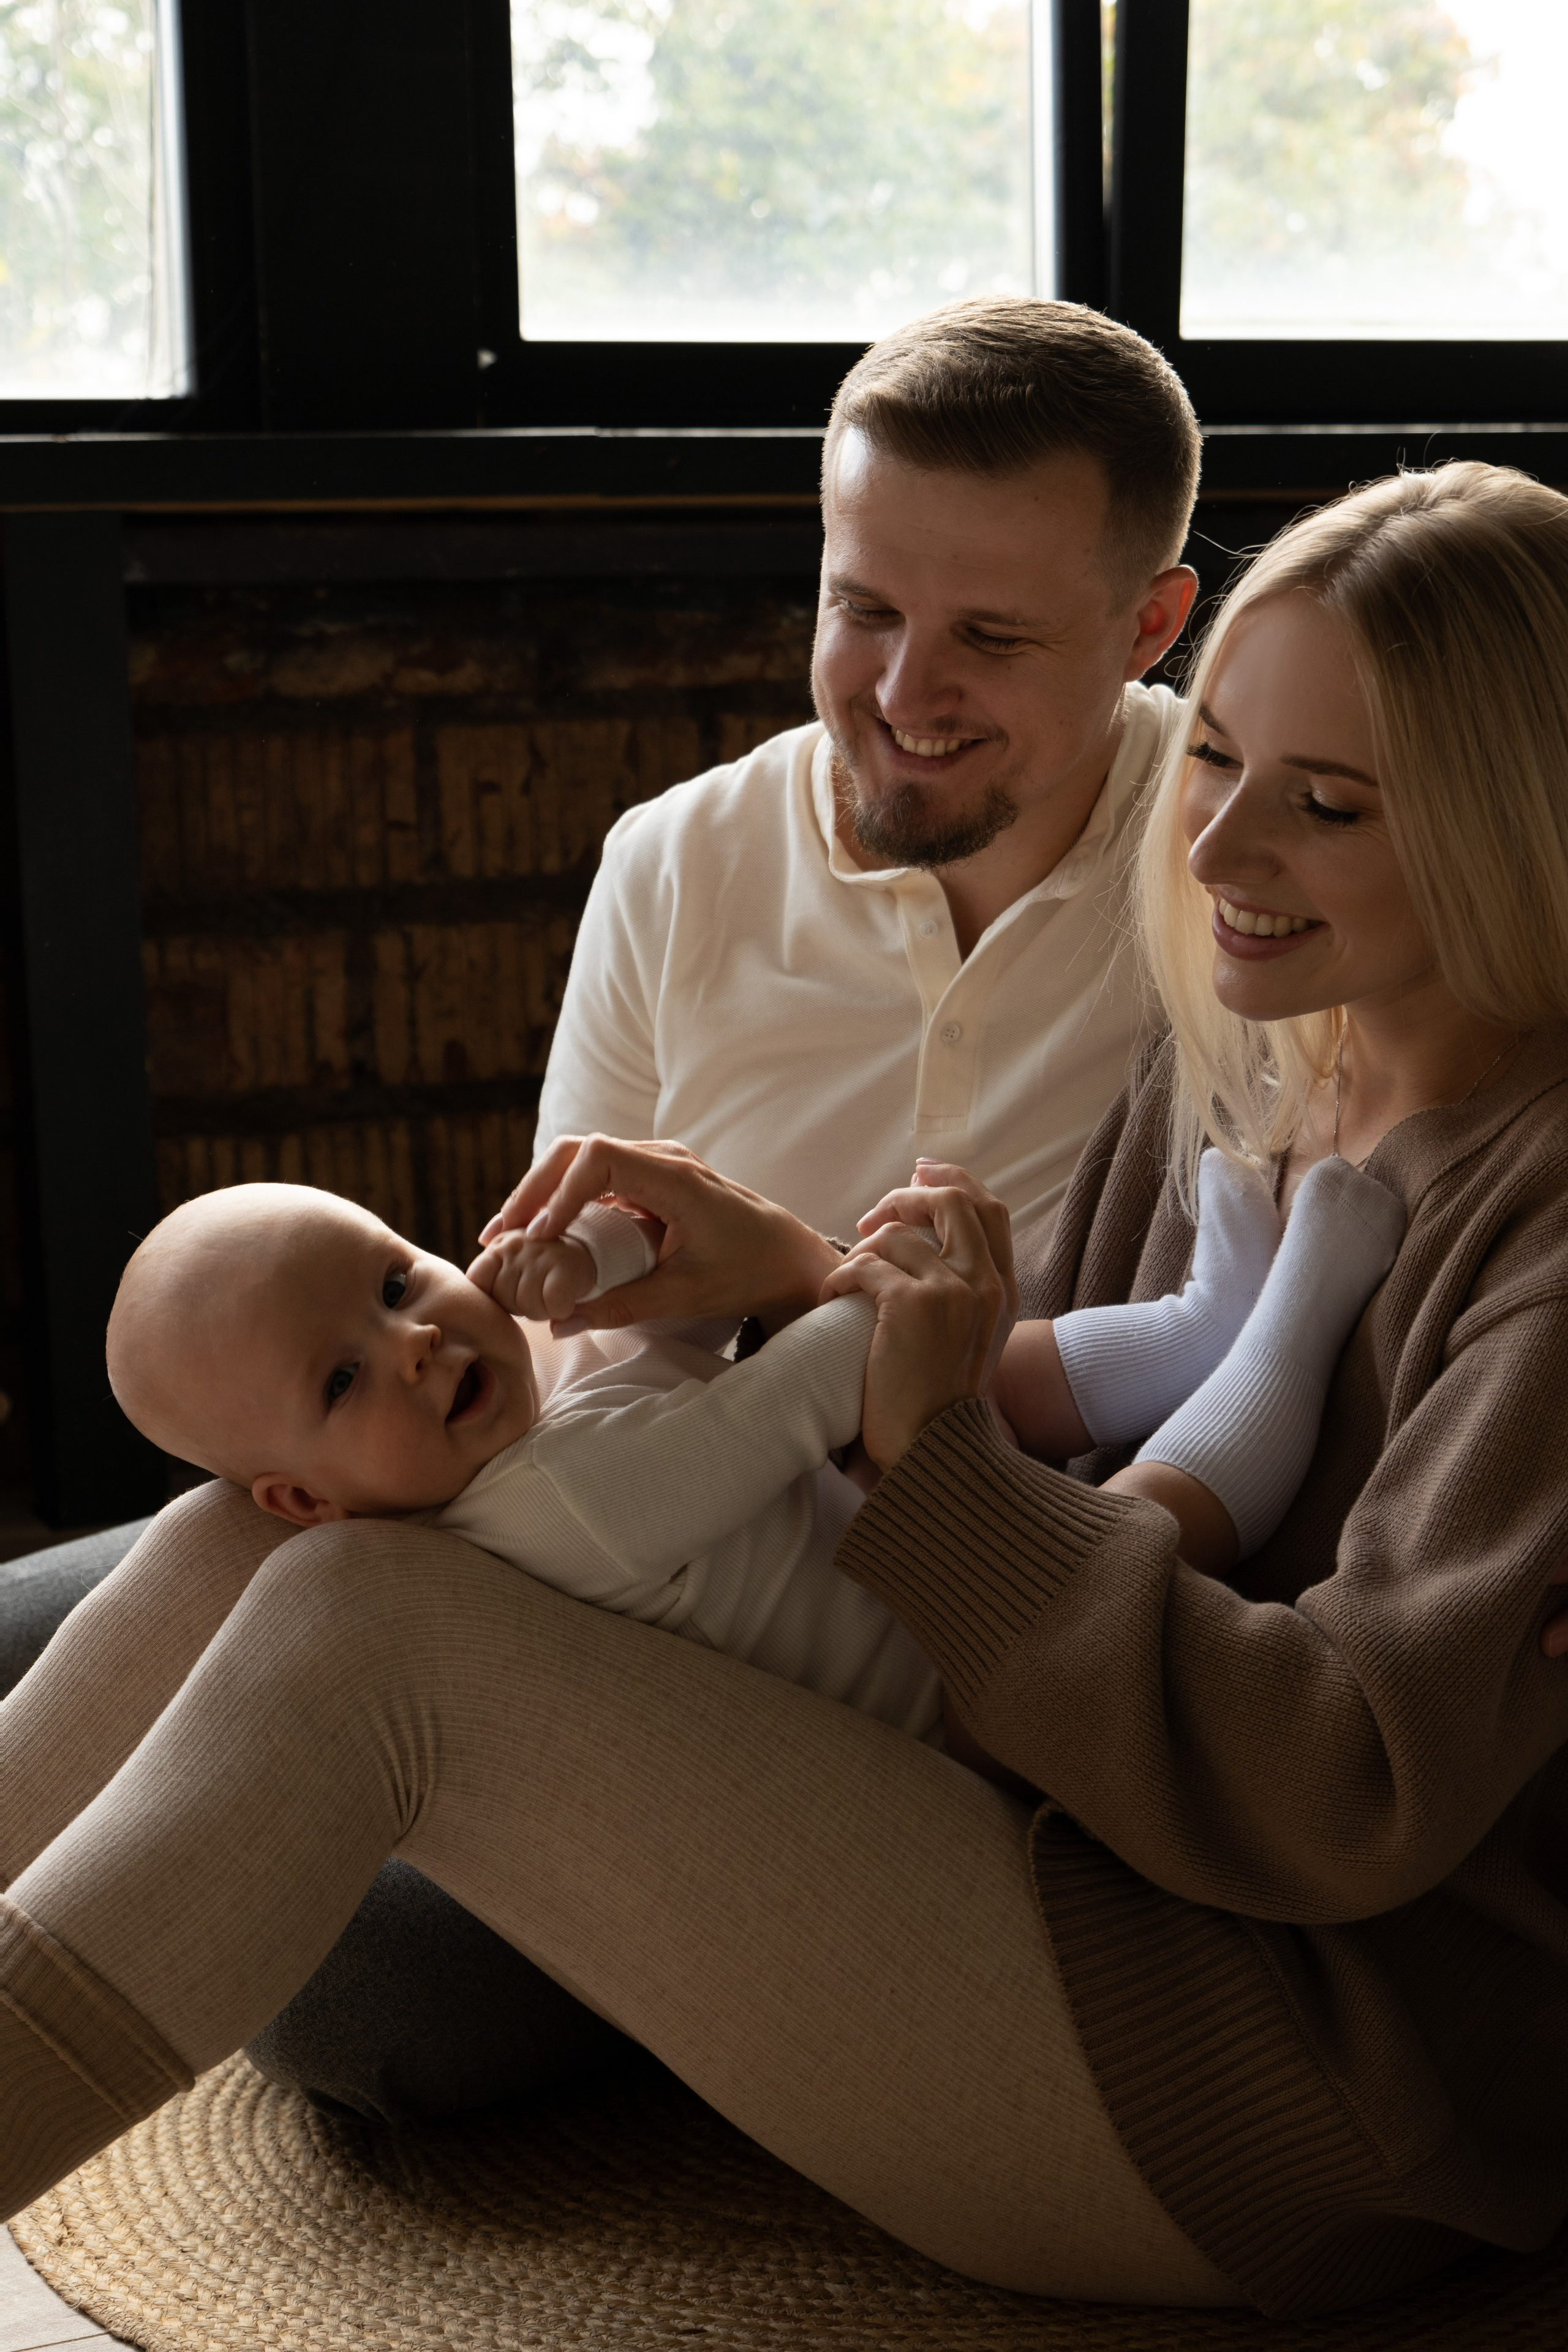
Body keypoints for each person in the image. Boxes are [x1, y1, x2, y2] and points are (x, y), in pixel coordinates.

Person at [7, 461, 1568, 2322]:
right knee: (257, 1532)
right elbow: (1042, 1425)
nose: (1217, 852)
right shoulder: (1261, 1048)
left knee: (370, 1626)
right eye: (1214, 763)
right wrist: (800, 1282)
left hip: (1281, 2065)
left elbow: (1347, 1785)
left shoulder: (1540, 1221)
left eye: (1321, 805)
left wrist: (903, 1431)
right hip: (1034, 1825)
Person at [0, 293, 1202, 2103]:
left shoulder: (1238, 871)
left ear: (1151, 623)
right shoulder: (683, 860)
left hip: (875, 1663)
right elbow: (544, 1344)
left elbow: (1178, 1377)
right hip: (593, 1532)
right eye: (860, 608)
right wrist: (554, 1304)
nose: (898, 693)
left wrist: (788, 1295)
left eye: (990, 639)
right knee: (81, 1603)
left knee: (366, 2000)